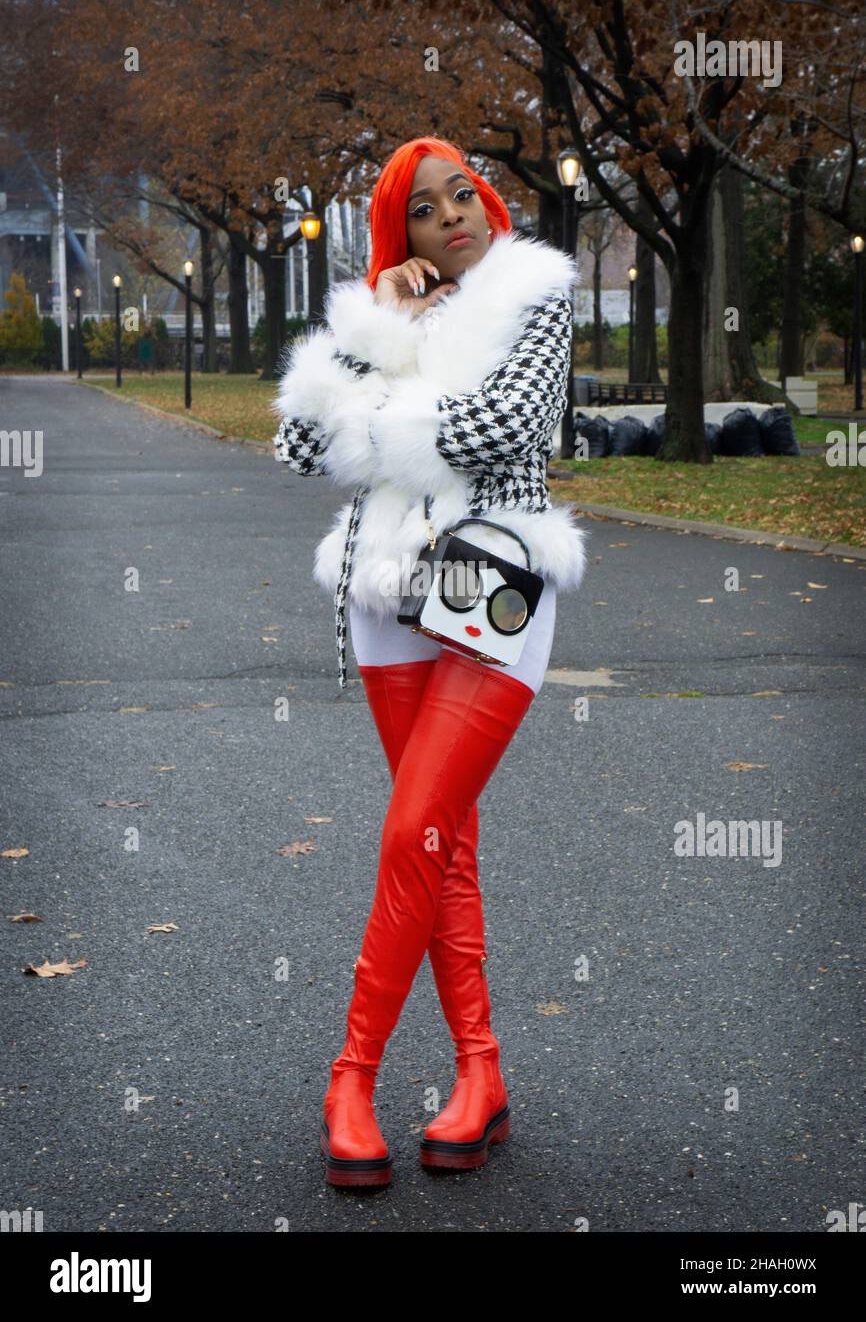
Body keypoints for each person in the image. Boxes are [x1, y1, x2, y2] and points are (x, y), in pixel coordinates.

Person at [271, 135, 589, 1189]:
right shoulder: (392, 315)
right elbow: (299, 445)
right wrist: (383, 331)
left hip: (492, 586)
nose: (451, 215)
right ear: (395, 234)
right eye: (422, 208)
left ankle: (350, 1078)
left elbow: (514, 422)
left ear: (487, 204)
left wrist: (379, 430)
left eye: (463, 194)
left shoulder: (533, 295)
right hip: (386, 597)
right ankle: (479, 1075)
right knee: (442, 843)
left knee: (413, 827)